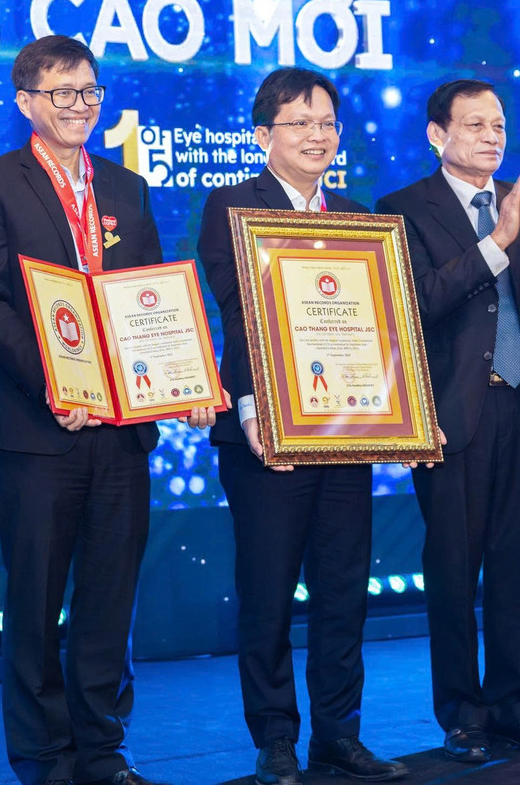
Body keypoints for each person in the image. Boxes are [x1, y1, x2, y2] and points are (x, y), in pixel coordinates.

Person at [0, 35, 217, 785]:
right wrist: (55, 384)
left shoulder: (126, 188)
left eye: (90, 92)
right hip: (38, 430)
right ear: (26, 102)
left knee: (109, 594)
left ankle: (103, 749)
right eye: (62, 93)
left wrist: (184, 380)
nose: (79, 107)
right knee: (35, 598)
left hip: (124, 429)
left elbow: (154, 303)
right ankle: (44, 756)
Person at [196, 68, 407, 784]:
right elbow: (237, 311)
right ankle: (276, 740)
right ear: (264, 136)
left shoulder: (356, 217)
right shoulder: (230, 207)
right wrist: (254, 407)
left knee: (345, 591)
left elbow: (378, 331)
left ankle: (338, 735)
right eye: (300, 123)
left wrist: (396, 415)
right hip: (266, 439)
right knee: (268, 592)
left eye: (327, 123)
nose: (317, 135)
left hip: (344, 435)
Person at [375, 79, 520, 763]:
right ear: (438, 134)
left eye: (498, 123)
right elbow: (416, 302)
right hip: (450, 415)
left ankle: (511, 702)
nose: (492, 136)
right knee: (452, 568)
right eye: (475, 124)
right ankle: (462, 713)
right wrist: (497, 244)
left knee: (517, 567)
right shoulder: (402, 208)